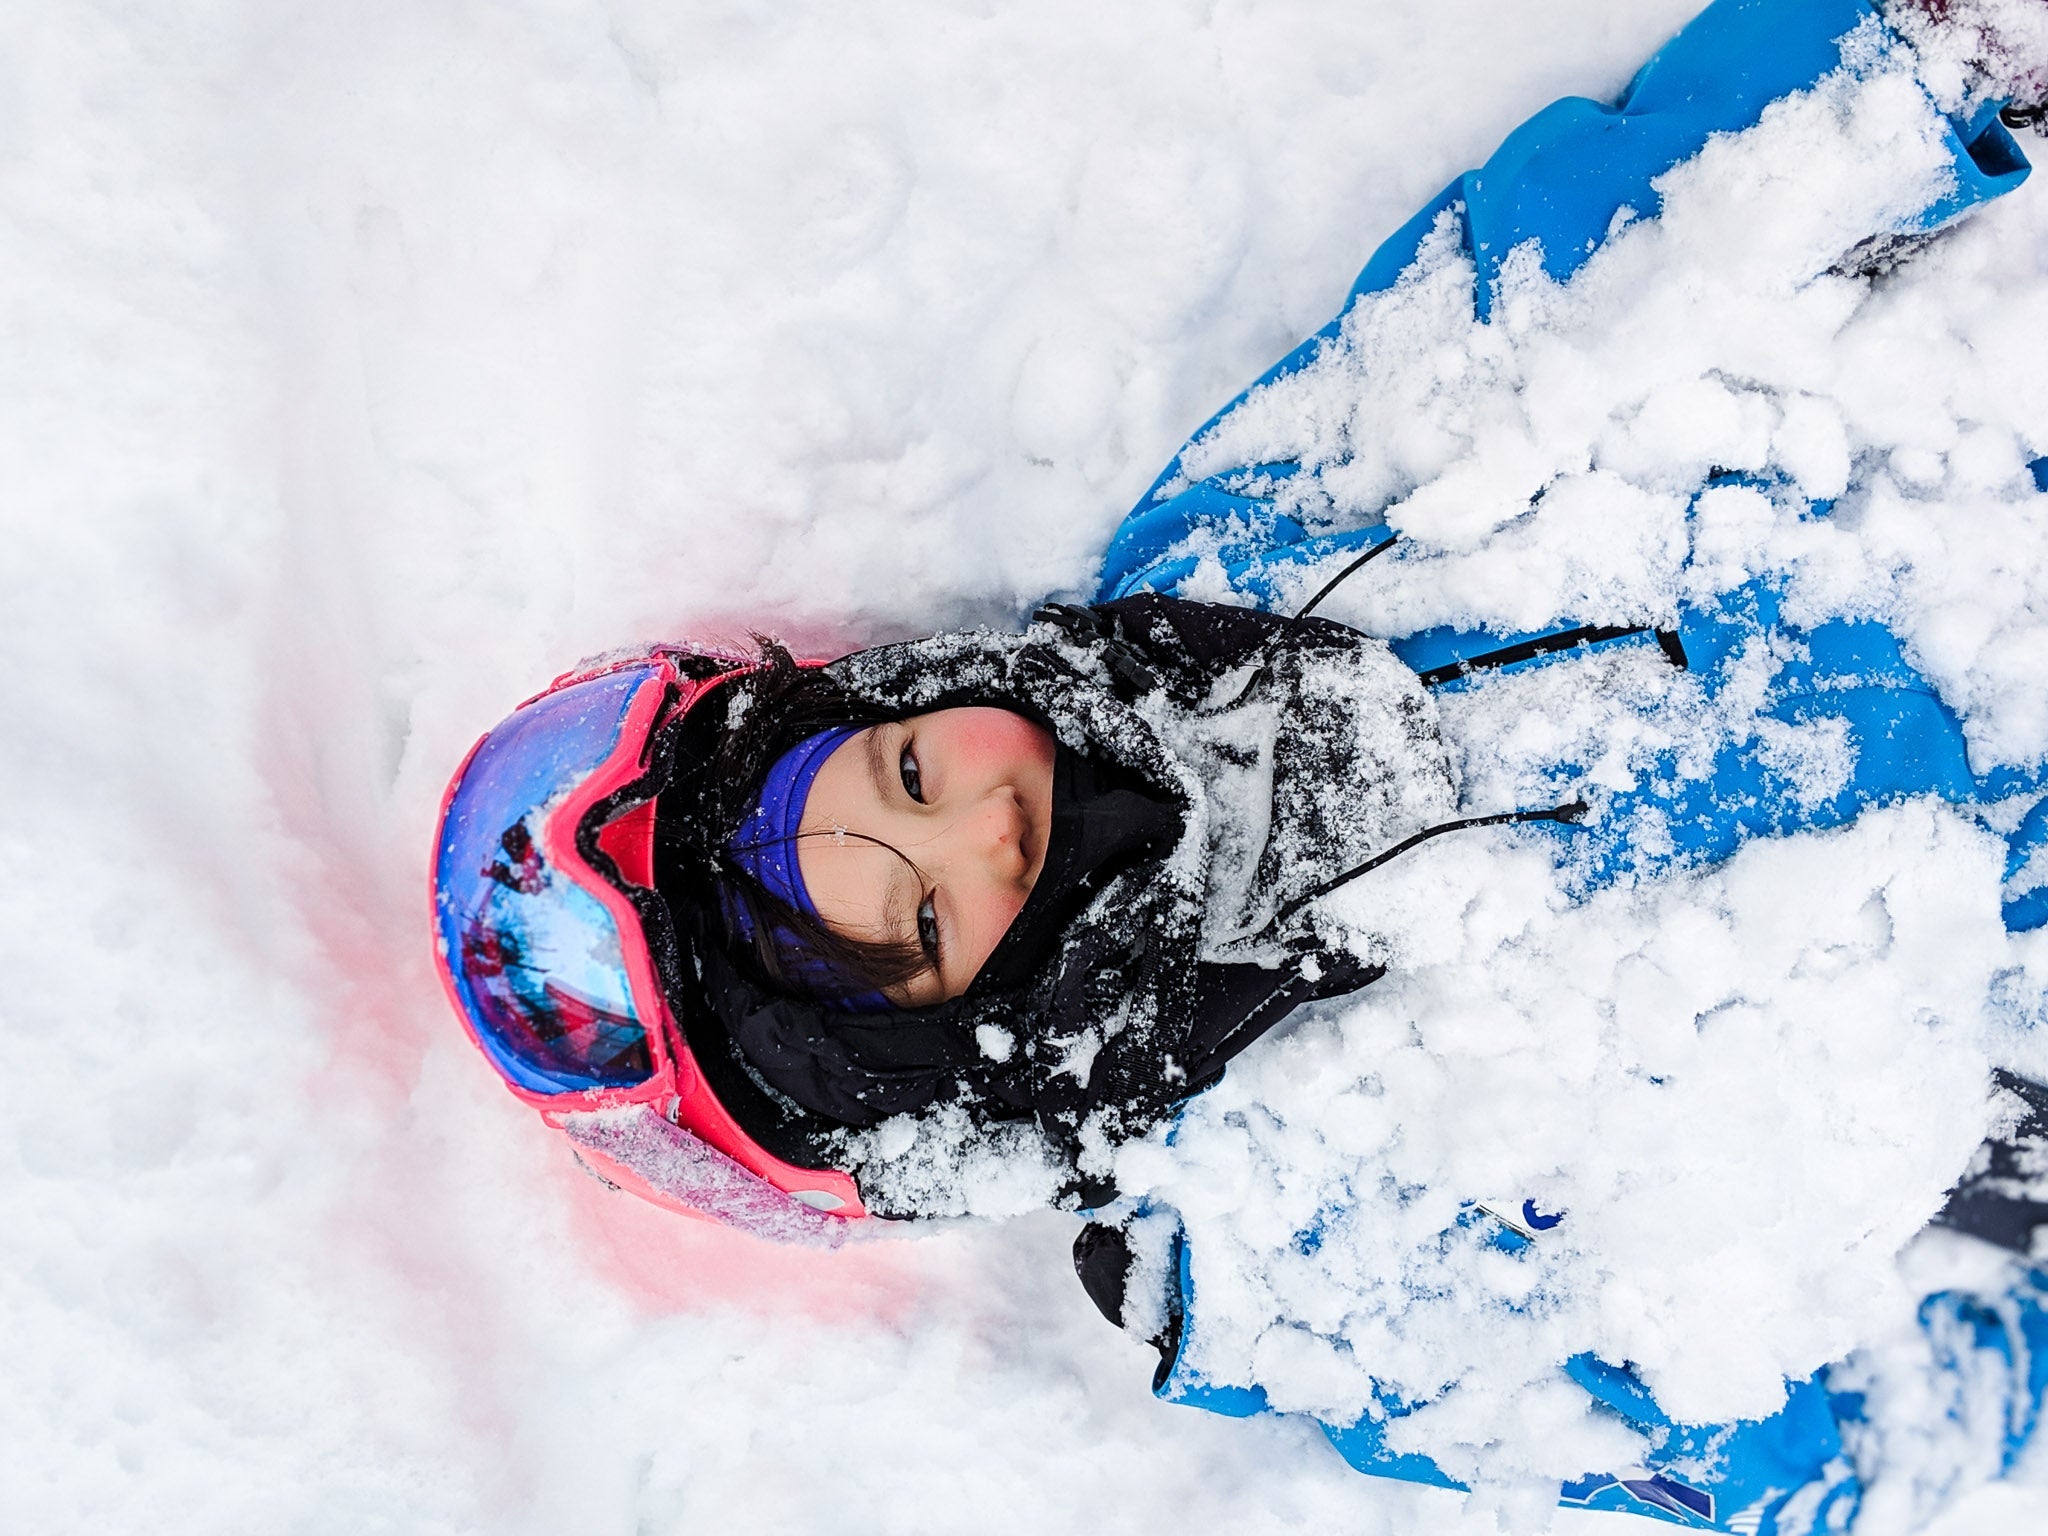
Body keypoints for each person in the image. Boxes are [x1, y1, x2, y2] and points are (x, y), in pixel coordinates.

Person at [430, 0, 2048, 1525]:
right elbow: (1695, 1433)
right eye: (928, 925)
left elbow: (1565, 279)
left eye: (909, 775)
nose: (983, 822)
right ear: (954, 1077)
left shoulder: (1228, 564)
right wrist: (1984, 1384)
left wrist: (1901, 74)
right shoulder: (1284, 1254)